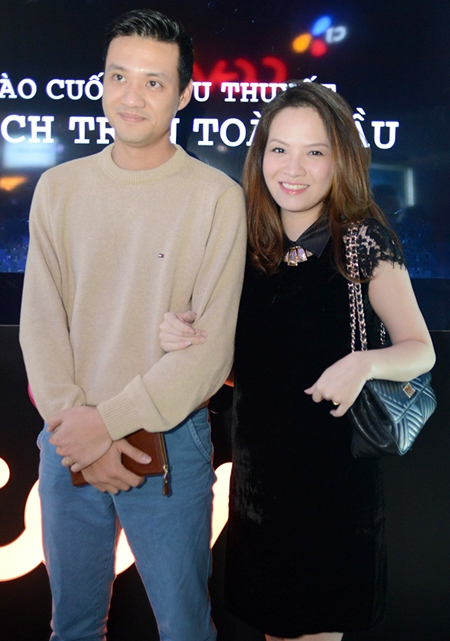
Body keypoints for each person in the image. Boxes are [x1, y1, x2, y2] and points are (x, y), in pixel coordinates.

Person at [159, 82, 436, 641]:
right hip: (259, 486)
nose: (293, 168)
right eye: (280, 149)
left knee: (318, 627)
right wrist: (187, 337)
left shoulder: (361, 242)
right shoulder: (244, 242)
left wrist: (363, 363)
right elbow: (246, 369)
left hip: (334, 490)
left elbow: (419, 349)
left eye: (314, 152)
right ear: (260, 154)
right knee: (274, 629)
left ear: (341, 159)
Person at [19, 8, 246, 641]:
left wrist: (104, 425)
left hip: (169, 440)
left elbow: (210, 355)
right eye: (118, 76)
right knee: (73, 627)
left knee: (185, 629)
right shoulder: (58, 188)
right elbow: (40, 322)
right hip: (67, 437)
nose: (131, 96)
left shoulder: (216, 198)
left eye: (153, 82)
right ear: (101, 82)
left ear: (184, 94)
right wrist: (80, 432)